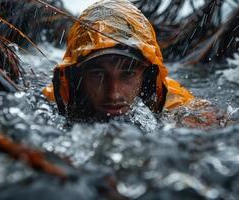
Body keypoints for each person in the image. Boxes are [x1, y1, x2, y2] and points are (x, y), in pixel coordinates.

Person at [42, 0, 195, 122]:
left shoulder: (178, 105)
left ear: (146, 75)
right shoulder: (52, 102)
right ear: (77, 75)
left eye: (127, 74)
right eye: (98, 74)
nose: (113, 94)